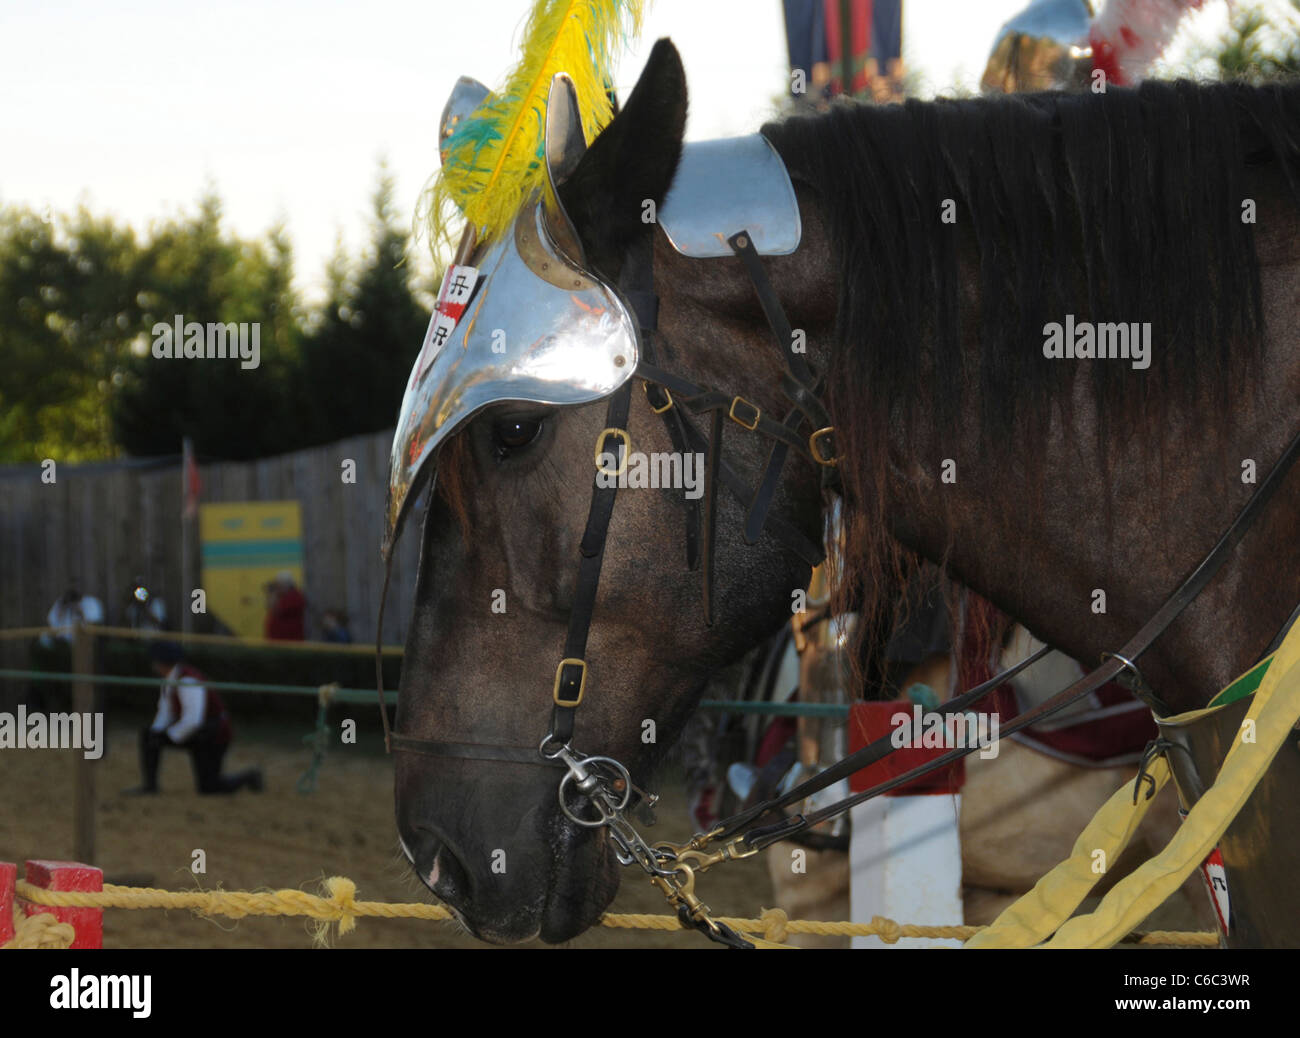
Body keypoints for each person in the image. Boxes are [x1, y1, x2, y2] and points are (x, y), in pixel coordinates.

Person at [125, 641, 263, 795]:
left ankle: (248, 776)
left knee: (210, 788)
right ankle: (150, 786)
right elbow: (166, 712)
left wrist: (168, 736)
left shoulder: (188, 680)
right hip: (197, 733)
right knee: (149, 736)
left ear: (163, 662)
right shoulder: (170, 679)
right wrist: (157, 733)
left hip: (212, 735)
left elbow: (193, 720)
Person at [41, 584, 105, 647]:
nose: (71, 606)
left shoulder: (91, 603)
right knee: (44, 636)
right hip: (63, 638)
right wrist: (61, 611)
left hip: (83, 636)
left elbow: (94, 623)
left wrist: (80, 612)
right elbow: (52, 622)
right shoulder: (61, 604)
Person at [263, 571, 305, 641]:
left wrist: (273, 593)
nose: (278, 587)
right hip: (277, 640)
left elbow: (276, 610)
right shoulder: (281, 596)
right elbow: (269, 606)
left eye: (279, 584)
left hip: (289, 641)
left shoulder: (294, 596)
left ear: (286, 584)